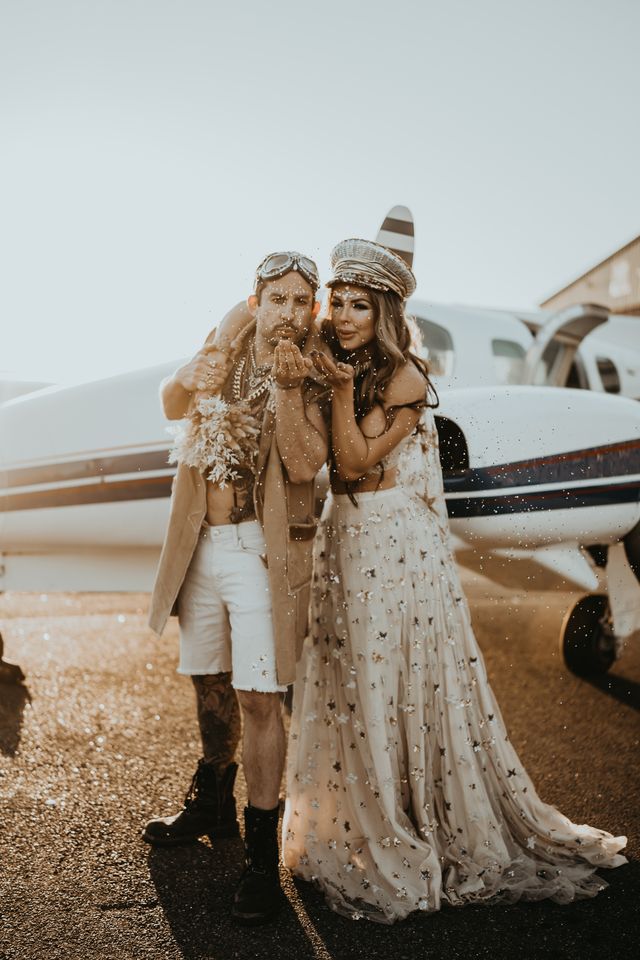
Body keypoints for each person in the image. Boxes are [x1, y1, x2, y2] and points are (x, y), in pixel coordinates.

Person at [282, 238, 627, 923]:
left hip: (390, 547)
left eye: (360, 305)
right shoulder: (340, 366)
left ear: (383, 312)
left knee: (386, 683)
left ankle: (405, 828)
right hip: (342, 544)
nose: (345, 316)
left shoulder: (404, 379)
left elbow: (351, 466)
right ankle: (356, 823)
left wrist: (340, 390)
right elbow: (306, 462)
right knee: (351, 682)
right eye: (339, 303)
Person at [146, 251, 329, 925]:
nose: (287, 311)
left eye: (299, 301)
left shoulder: (311, 369)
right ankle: (212, 802)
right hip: (199, 543)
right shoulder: (222, 340)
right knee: (208, 679)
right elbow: (171, 402)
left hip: (259, 551)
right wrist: (185, 375)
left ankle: (260, 862)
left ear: (312, 308)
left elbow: (309, 464)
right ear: (255, 302)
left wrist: (286, 390)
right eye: (276, 298)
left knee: (259, 697)